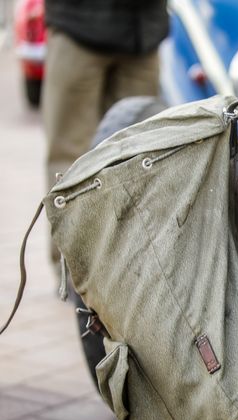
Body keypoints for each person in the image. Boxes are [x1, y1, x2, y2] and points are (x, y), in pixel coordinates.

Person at [42, 0, 168, 266]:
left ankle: (130, 273)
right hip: (79, 26)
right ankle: (73, 272)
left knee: (139, 160)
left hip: (142, 35)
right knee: (72, 159)